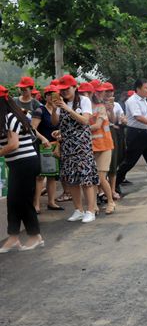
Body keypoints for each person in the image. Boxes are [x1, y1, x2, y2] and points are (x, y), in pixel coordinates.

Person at [0, 86, 44, 252]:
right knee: (13, 201)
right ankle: (13, 237)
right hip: (18, 164)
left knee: (24, 201)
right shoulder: (4, 118)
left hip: (25, 163)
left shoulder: (10, 117)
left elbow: (13, 144)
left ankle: (35, 236)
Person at [53, 75, 100, 223]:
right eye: (62, 89)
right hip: (67, 145)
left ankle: (91, 210)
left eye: (67, 89)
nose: (65, 92)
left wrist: (66, 108)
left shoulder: (84, 100)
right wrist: (55, 110)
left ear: (74, 87)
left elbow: (85, 120)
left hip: (82, 145)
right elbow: (55, 122)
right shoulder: (61, 103)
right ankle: (78, 209)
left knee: (86, 178)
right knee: (71, 179)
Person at [31, 84, 63, 212]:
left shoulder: (60, 110)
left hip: (55, 146)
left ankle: (51, 202)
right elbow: (32, 129)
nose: (52, 96)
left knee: (52, 175)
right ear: (45, 96)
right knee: (40, 176)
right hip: (42, 146)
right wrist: (43, 138)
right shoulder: (40, 110)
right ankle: (36, 204)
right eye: (49, 94)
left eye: (54, 94)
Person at [89, 85, 116, 214]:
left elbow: (98, 125)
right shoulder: (83, 108)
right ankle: (93, 205)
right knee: (92, 177)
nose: (100, 94)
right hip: (91, 146)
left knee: (100, 176)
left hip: (104, 145)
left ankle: (110, 202)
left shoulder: (100, 107)